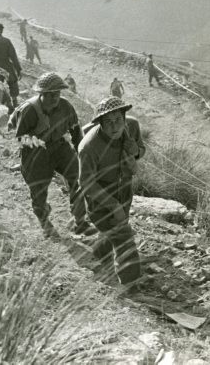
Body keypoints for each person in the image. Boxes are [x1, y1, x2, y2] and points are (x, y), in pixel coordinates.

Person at [8, 72, 96, 239]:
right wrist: (37, 143)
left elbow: (76, 131)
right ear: (41, 94)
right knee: (38, 190)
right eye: (49, 94)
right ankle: (44, 221)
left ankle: (80, 222)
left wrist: (82, 153)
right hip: (36, 154)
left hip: (60, 148)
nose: (54, 97)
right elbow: (21, 138)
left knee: (78, 179)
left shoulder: (66, 107)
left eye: (57, 93)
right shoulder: (29, 110)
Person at [78, 96, 146, 285]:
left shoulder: (131, 126)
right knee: (124, 238)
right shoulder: (89, 147)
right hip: (100, 198)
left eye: (118, 120)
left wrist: (136, 152)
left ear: (124, 117)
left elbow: (141, 149)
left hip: (124, 189)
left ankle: (100, 253)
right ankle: (130, 284)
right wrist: (113, 205)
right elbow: (86, 183)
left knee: (113, 230)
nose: (115, 126)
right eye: (108, 122)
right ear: (99, 123)